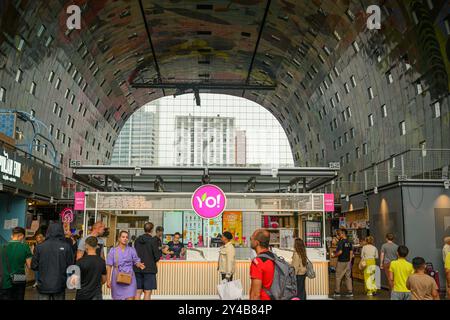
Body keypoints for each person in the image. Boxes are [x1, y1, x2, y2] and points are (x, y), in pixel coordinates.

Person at [31, 222, 74, 300]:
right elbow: (71, 266)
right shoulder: (66, 246)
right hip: (59, 284)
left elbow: (34, 266)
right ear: (61, 231)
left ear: (48, 231)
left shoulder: (39, 247)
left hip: (43, 285)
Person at [106, 230, 145, 300]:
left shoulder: (132, 250)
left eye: (127, 237)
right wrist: (108, 280)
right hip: (116, 278)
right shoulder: (113, 251)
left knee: (130, 297)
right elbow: (109, 266)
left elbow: (136, 260)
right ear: (119, 238)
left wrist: (139, 264)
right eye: (123, 237)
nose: (125, 239)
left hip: (130, 277)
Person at [0, 227, 33, 300]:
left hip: (4, 280)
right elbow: (30, 265)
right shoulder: (24, 246)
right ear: (21, 236)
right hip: (19, 278)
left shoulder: (2, 247)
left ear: (12, 235)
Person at [134, 222, 161, 300]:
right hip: (149, 269)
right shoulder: (153, 241)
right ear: (152, 230)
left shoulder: (137, 240)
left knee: (137, 291)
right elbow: (157, 256)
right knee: (147, 292)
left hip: (137, 268)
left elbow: (134, 254)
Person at [249, 229, 275, 300]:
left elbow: (255, 294)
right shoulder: (273, 258)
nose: (250, 240)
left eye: (251, 238)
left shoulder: (257, 262)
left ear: (257, 242)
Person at [332, 229, 353, 297]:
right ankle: (350, 292)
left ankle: (337, 292)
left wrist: (334, 255)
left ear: (343, 234)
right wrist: (349, 261)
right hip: (348, 262)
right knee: (348, 277)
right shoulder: (349, 242)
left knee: (338, 277)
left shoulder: (341, 242)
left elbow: (340, 252)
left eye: (340, 233)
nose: (339, 235)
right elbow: (351, 252)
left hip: (341, 261)